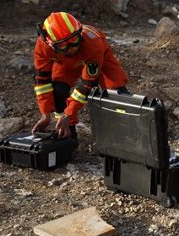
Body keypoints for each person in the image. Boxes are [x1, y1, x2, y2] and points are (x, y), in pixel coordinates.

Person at [32, 12, 129, 141]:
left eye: (74, 41)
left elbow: (87, 84)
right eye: (62, 45)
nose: (71, 48)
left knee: (116, 94)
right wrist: (45, 114)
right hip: (65, 63)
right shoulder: (43, 47)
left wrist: (69, 113)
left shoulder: (93, 44)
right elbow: (42, 81)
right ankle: (66, 133)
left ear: (80, 32)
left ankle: (127, 131)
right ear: (50, 44)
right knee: (59, 90)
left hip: (99, 58)